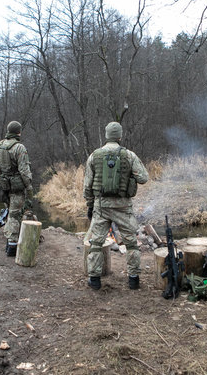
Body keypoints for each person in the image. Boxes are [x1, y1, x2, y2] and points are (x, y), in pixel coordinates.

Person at [83, 122, 149, 290]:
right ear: (120, 136)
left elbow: (87, 186)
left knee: (96, 243)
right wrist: (130, 177)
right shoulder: (129, 155)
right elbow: (143, 177)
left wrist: (90, 205)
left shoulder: (94, 155)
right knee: (131, 243)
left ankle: (95, 280)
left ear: (106, 136)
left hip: (101, 206)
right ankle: (133, 279)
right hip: (123, 206)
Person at [0, 121, 34, 256]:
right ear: (18, 132)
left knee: (10, 211)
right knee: (15, 214)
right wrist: (29, 187)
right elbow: (24, 171)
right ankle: (12, 245)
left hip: (4, 184)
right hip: (17, 185)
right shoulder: (19, 148)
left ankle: (9, 241)